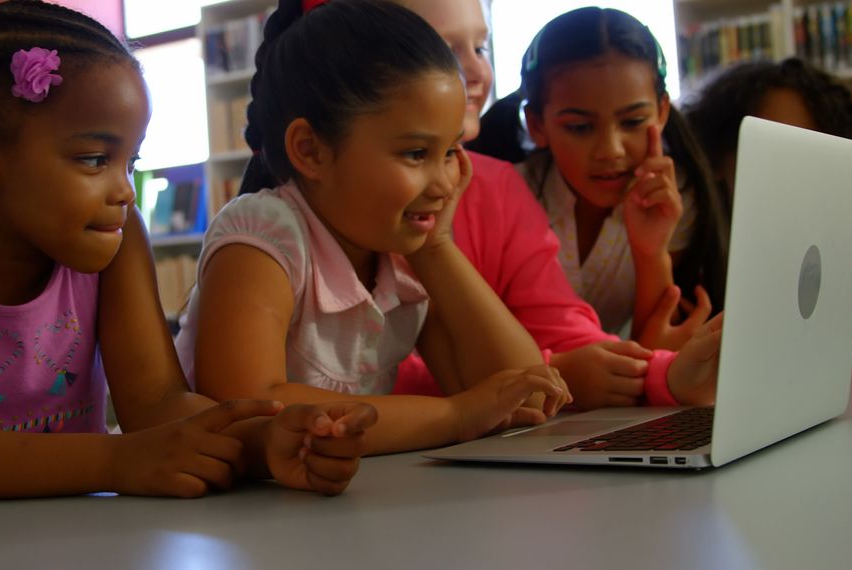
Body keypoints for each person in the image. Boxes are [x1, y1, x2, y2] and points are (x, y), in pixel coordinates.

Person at [0, 0, 378, 501]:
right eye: (94, 159)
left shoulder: (117, 239)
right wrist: (116, 460)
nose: (125, 190)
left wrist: (267, 444)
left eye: (131, 163)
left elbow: (158, 408)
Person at [174, 0, 574, 456]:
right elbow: (245, 404)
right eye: (416, 154)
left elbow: (527, 394)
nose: (445, 183)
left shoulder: (403, 253)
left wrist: (437, 248)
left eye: (449, 153)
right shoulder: (264, 238)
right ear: (311, 151)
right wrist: (456, 415)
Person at [392, 1, 724, 410]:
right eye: (444, 50)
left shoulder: (498, 188)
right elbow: (379, 374)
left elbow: (567, 331)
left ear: (661, 112)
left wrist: (663, 371)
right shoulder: (518, 187)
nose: (611, 150)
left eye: (480, 48)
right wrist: (565, 372)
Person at [472, 7, 730, 352]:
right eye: (580, 127)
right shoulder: (502, 200)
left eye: (633, 121)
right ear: (536, 124)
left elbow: (654, 350)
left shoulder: (672, 195)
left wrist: (650, 251)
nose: (610, 150)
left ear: (663, 111)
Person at [683, 57, 852, 302]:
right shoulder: (685, 248)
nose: (798, 176)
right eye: (779, 150)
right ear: (717, 155)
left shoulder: (838, 243)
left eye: (817, 160)